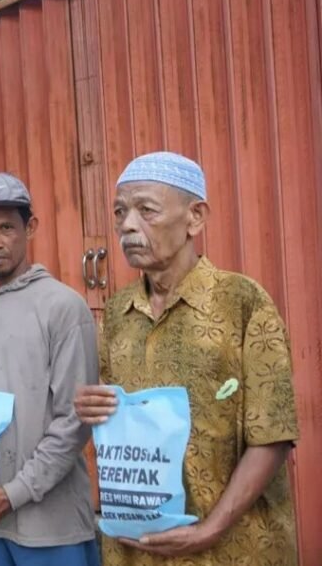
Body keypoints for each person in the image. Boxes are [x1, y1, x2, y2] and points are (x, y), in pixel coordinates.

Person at [74, 152, 299, 566]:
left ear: (195, 217)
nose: (127, 225)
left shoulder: (242, 302)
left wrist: (208, 530)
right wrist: (94, 407)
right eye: (120, 212)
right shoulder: (118, 312)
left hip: (233, 546)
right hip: (138, 547)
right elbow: (116, 419)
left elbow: (273, 434)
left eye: (146, 210)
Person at [0, 173, 100, 566]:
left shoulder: (63, 307)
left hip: (49, 529)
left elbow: (75, 420)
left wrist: (16, 492)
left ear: (31, 228)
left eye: (7, 228)